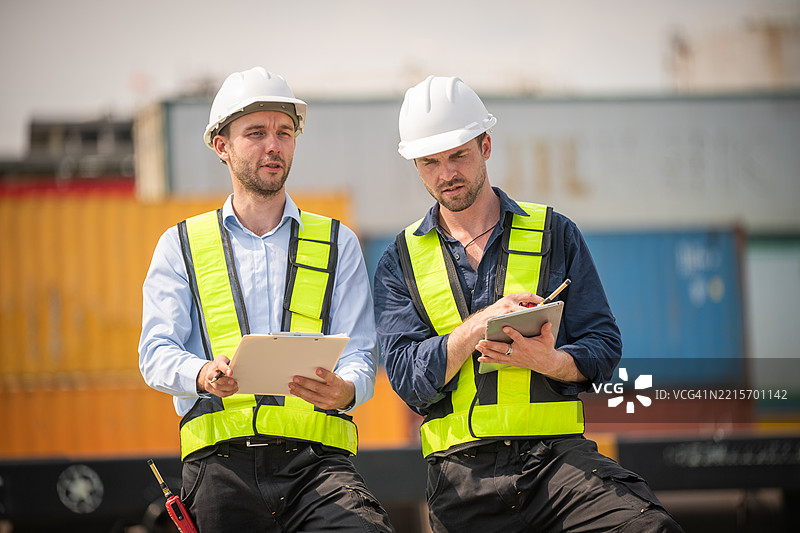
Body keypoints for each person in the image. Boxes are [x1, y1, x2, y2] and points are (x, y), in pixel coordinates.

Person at [373, 75, 683, 532]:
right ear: (416, 166)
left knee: (649, 528)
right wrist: (477, 327)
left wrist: (552, 361)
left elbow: (602, 345)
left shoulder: (555, 233)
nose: (446, 174)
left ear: (486, 146)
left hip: (558, 465)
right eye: (430, 162)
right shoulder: (398, 262)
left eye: (458, 154)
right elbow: (406, 377)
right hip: (461, 481)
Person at [139, 67, 393, 533]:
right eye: (255, 133)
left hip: (317, 467)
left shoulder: (338, 243)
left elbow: (359, 352)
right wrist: (200, 373)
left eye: (284, 132)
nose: (273, 145)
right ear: (222, 146)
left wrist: (348, 388)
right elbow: (154, 353)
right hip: (220, 470)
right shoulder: (180, 245)